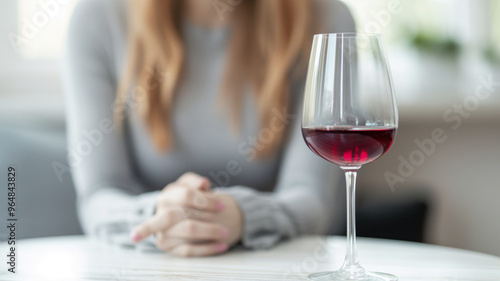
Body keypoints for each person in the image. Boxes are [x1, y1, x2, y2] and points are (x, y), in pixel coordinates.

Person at [64, 0, 355, 257]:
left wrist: (243, 217)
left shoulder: (325, 16)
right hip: (149, 265)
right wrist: (159, 216)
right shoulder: (97, 17)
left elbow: (314, 199)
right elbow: (99, 194)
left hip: (279, 266)